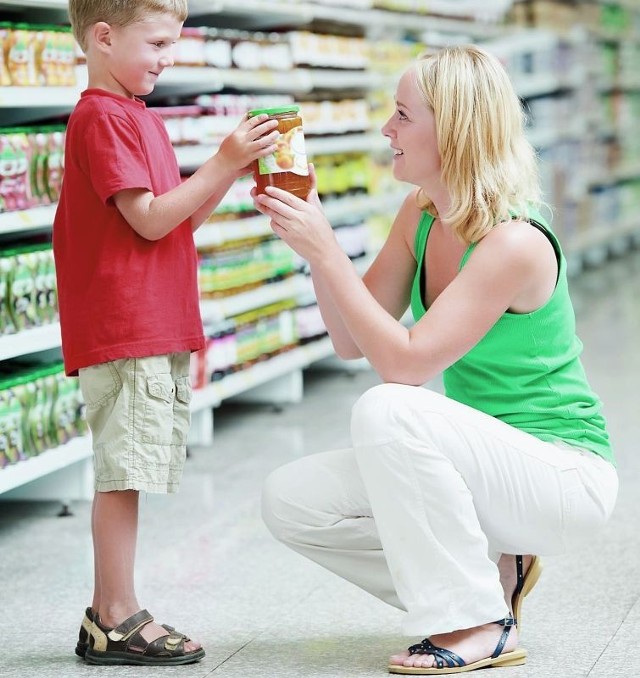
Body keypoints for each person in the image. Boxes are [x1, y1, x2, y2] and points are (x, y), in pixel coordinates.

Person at [256, 45, 618, 675]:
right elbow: (350, 339)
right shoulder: (422, 216)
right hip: (482, 469)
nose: (385, 131)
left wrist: (329, 254)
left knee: (391, 408)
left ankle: (478, 621)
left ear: (452, 129)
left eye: (401, 115)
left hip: (562, 476)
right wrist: (314, 244)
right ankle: (483, 582)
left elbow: (404, 366)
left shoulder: (514, 242)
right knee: (291, 499)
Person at [53, 0, 279, 666]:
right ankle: (115, 614)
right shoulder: (102, 118)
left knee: (128, 470)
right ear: (102, 36)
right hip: (126, 325)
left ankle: (110, 613)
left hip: (149, 321)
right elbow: (150, 221)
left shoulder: (135, 117)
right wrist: (221, 159)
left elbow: (172, 220)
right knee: (121, 474)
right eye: (155, 43)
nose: (167, 57)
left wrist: (230, 173)